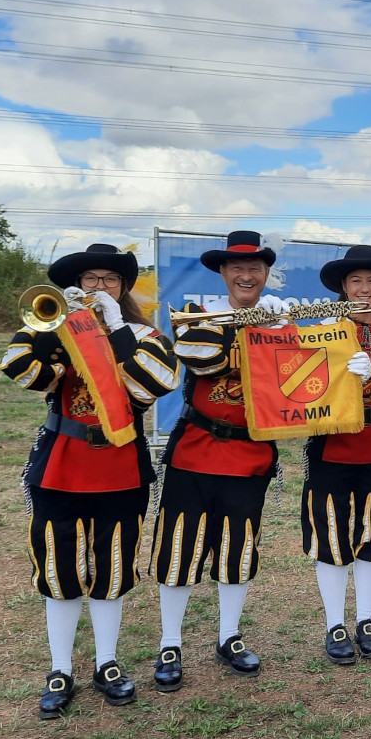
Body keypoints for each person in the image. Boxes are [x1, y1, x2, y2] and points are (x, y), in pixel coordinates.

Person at [1, 243, 181, 718]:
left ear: (123, 289)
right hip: (61, 465)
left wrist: (115, 331)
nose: (99, 288)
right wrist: (59, 327)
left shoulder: (144, 334)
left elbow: (149, 386)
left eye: (110, 280)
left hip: (120, 469)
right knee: (59, 572)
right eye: (90, 279)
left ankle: (107, 663)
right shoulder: (55, 327)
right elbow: (23, 371)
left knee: (113, 570)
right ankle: (60, 669)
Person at [149, 230, 291, 692]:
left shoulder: (283, 323)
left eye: (254, 268)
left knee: (238, 550)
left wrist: (283, 335)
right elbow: (203, 359)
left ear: (266, 275)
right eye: (237, 268)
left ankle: (228, 635)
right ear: (223, 273)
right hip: (195, 450)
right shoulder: (195, 316)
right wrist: (253, 328)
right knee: (178, 549)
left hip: (250, 454)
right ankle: (170, 643)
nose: (245, 275)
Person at [302, 245, 371, 664]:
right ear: (343, 287)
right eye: (355, 281)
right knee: (331, 534)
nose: (364, 288)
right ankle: (334, 624)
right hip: (332, 444)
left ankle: (366, 619)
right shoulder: (323, 330)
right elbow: (304, 386)